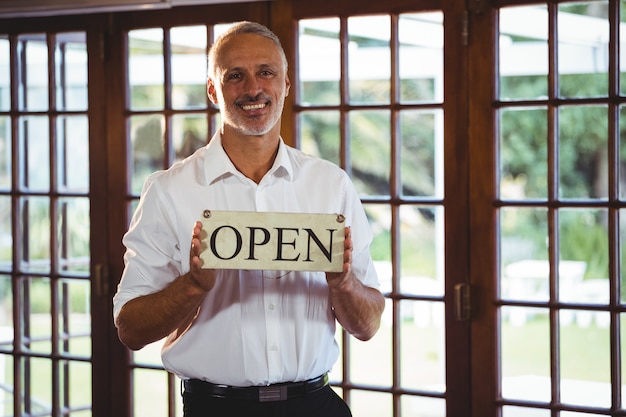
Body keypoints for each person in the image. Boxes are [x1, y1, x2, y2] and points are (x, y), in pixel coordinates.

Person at [113, 21, 385, 417]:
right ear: (213, 90)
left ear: (286, 84)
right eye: (235, 76)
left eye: (266, 72)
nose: (253, 88)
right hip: (215, 408)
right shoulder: (169, 191)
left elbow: (369, 325)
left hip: (316, 406)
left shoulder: (331, 185)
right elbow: (130, 330)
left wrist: (343, 283)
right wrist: (193, 285)